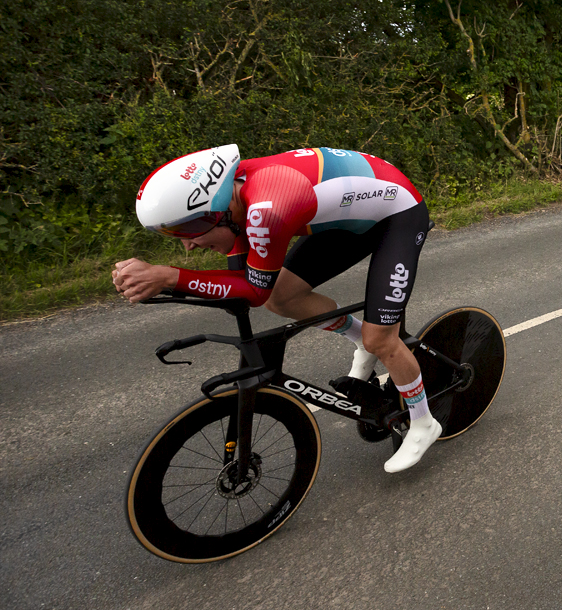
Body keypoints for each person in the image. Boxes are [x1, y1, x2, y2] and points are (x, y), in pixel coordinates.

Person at [112, 144, 440, 473]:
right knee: (282, 297)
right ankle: (361, 341)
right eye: (174, 234)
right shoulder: (237, 200)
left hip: (398, 214)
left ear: (218, 211)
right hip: (350, 217)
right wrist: (165, 281)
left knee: (380, 339)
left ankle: (424, 423)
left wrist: (168, 276)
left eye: (188, 229)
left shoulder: (266, 210)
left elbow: (252, 291)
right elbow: (242, 284)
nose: (187, 244)